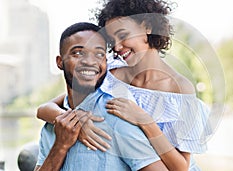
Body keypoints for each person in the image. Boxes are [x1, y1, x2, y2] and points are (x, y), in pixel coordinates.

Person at [37, 0, 211, 170]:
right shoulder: (110, 72)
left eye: (123, 35)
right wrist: (78, 123)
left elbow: (181, 167)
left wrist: (145, 121)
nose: (118, 47)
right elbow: (46, 108)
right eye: (111, 41)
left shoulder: (179, 89)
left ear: (147, 27)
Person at [34, 22, 168, 171]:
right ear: (60, 62)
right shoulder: (52, 125)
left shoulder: (116, 117)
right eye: (77, 53)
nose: (89, 62)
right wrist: (60, 146)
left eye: (99, 54)